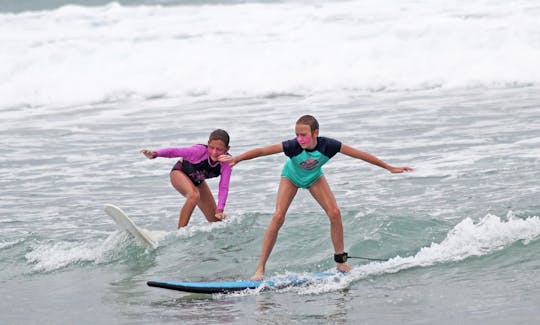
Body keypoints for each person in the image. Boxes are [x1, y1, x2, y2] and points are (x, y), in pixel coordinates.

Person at [219, 115, 412, 280]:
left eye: (303, 135)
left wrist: (389, 167)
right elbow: (262, 151)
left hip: (314, 178)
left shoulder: (329, 145)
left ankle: (341, 263)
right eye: (297, 134)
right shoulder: (293, 146)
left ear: (315, 133)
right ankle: (260, 269)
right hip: (291, 178)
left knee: (334, 213)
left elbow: (360, 155)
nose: (299, 138)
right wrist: (238, 158)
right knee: (278, 217)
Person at [141, 129, 232, 228]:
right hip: (179, 173)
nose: (214, 152)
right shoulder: (198, 151)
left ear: (227, 149)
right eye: (211, 147)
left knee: (216, 220)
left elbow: (224, 187)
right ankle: (180, 232)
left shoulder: (227, 162)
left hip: (198, 182)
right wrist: (155, 154)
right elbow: (175, 151)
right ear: (208, 143)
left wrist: (220, 210)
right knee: (194, 195)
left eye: (219, 149)